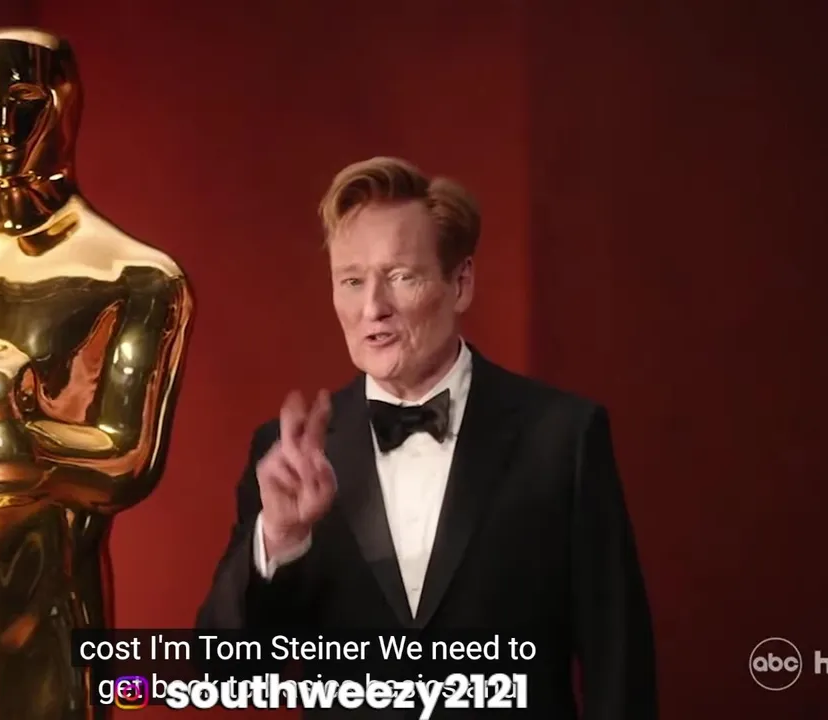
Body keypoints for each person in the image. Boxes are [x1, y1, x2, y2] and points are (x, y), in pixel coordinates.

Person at [196, 156, 656, 718]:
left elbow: (619, 668)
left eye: (401, 277)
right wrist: (279, 539)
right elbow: (228, 672)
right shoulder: (289, 457)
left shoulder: (563, 437)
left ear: (460, 283)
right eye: (352, 281)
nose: (373, 308)